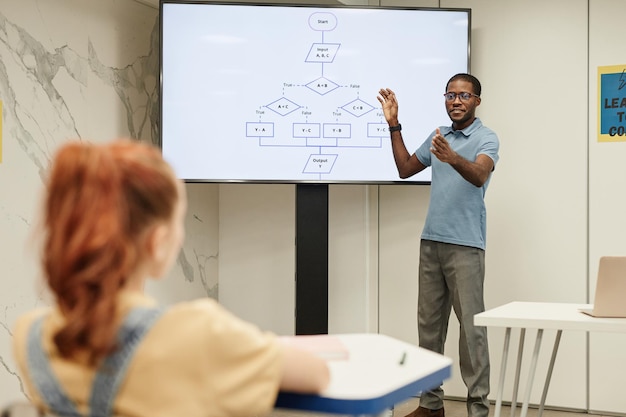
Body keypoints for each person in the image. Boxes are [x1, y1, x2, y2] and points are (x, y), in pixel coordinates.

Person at [11, 139, 330, 417]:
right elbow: (317, 375)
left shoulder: (30, 336)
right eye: (179, 222)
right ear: (157, 241)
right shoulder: (200, 334)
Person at [377, 73, 499, 417]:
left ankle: (478, 409)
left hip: (466, 246)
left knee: (472, 331)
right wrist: (394, 125)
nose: (456, 101)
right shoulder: (439, 136)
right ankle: (431, 405)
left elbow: (479, 175)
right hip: (431, 242)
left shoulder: (486, 138)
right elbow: (404, 168)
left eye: (463, 95)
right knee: (429, 328)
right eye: (450, 95)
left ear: (477, 100)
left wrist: (452, 158)